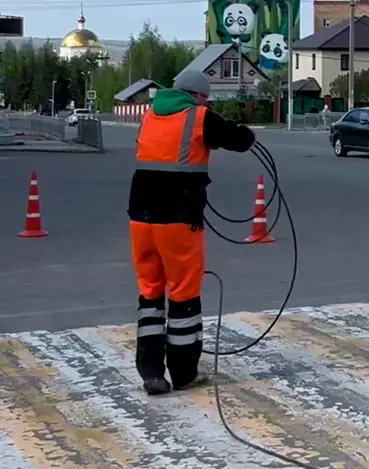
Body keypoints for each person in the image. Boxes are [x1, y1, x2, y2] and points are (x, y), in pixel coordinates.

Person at [128, 69, 256, 395]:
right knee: (184, 294)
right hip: (178, 220)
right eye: (206, 99)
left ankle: (152, 372)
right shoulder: (198, 118)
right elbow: (238, 139)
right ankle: (184, 373)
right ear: (198, 96)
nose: (207, 104)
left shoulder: (150, 116)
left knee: (150, 294)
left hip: (140, 220)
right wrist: (249, 135)